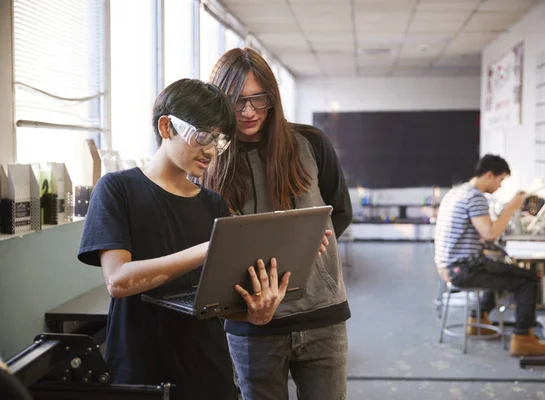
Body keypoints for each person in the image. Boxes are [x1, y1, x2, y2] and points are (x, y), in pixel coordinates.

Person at [77, 79, 291, 400]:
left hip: (208, 376)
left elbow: (215, 302)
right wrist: (207, 250)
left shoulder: (213, 204)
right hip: (140, 374)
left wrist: (255, 312)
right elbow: (118, 281)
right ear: (167, 127)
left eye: (219, 142)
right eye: (203, 135)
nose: (210, 150)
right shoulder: (117, 189)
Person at [204, 48, 353, 400]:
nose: (248, 111)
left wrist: (304, 252)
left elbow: (340, 212)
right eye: (236, 100)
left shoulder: (311, 143)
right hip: (251, 322)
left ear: (273, 97)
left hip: (321, 314)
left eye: (258, 99)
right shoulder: (207, 158)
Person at [434, 154, 545, 356]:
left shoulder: (457, 192)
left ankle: (477, 320)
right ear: (489, 175)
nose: (500, 186)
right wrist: (511, 207)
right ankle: (523, 339)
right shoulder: (474, 197)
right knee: (528, 279)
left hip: (448, 266)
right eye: (500, 180)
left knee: (499, 268)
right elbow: (490, 233)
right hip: (463, 269)